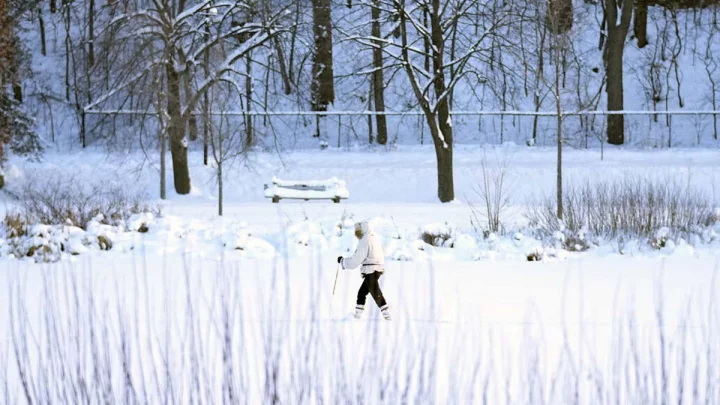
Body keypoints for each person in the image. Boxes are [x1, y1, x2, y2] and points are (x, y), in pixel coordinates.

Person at [338, 221, 391, 320]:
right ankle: (357, 316)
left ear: (363, 230)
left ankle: (387, 317)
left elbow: (356, 260)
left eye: (358, 232)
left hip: (370, 269)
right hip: (378, 268)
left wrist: (343, 261)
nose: (357, 235)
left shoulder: (365, 241)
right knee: (362, 292)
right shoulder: (374, 238)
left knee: (375, 292)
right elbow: (383, 252)